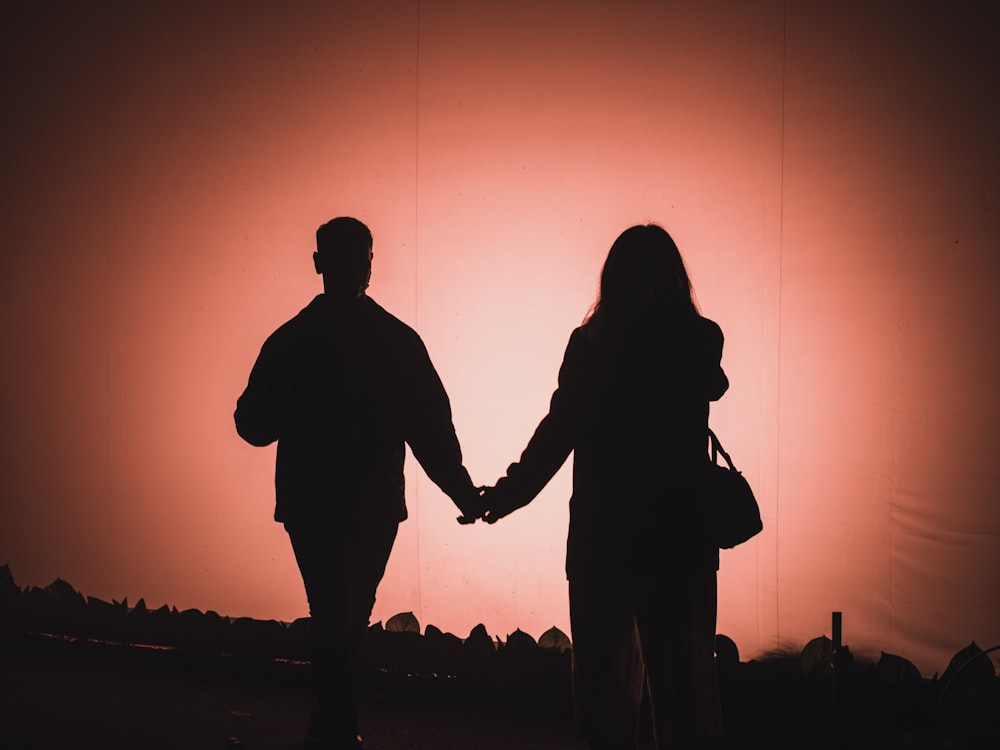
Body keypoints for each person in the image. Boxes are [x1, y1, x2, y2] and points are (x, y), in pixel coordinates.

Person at [234, 216, 483, 749]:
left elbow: (251, 423)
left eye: (360, 254)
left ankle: (332, 716)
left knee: (337, 610)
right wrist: (463, 492)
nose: (357, 265)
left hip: (330, 503)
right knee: (339, 610)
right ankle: (337, 722)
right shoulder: (389, 341)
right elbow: (431, 429)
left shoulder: (296, 339)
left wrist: (462, 489)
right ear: (326, 263)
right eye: (352, 255)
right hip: (358, 505)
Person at [480, 224, 730, 750]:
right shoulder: (699, 338)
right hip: (679, 542)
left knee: (603, 696)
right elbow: (713, 383)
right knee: (684, 693)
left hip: (601, 541)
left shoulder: (590, 346)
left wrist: (507, 495)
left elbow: (557, 434)